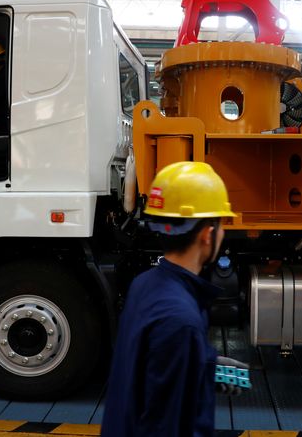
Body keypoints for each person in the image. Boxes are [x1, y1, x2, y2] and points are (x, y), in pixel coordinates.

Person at [101, 161, 237, 437]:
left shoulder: (146, 285)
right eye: (222, 223)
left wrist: (220, 372)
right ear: (208, 235)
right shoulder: (180, 320)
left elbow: (151, 368)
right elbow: (164, 427)